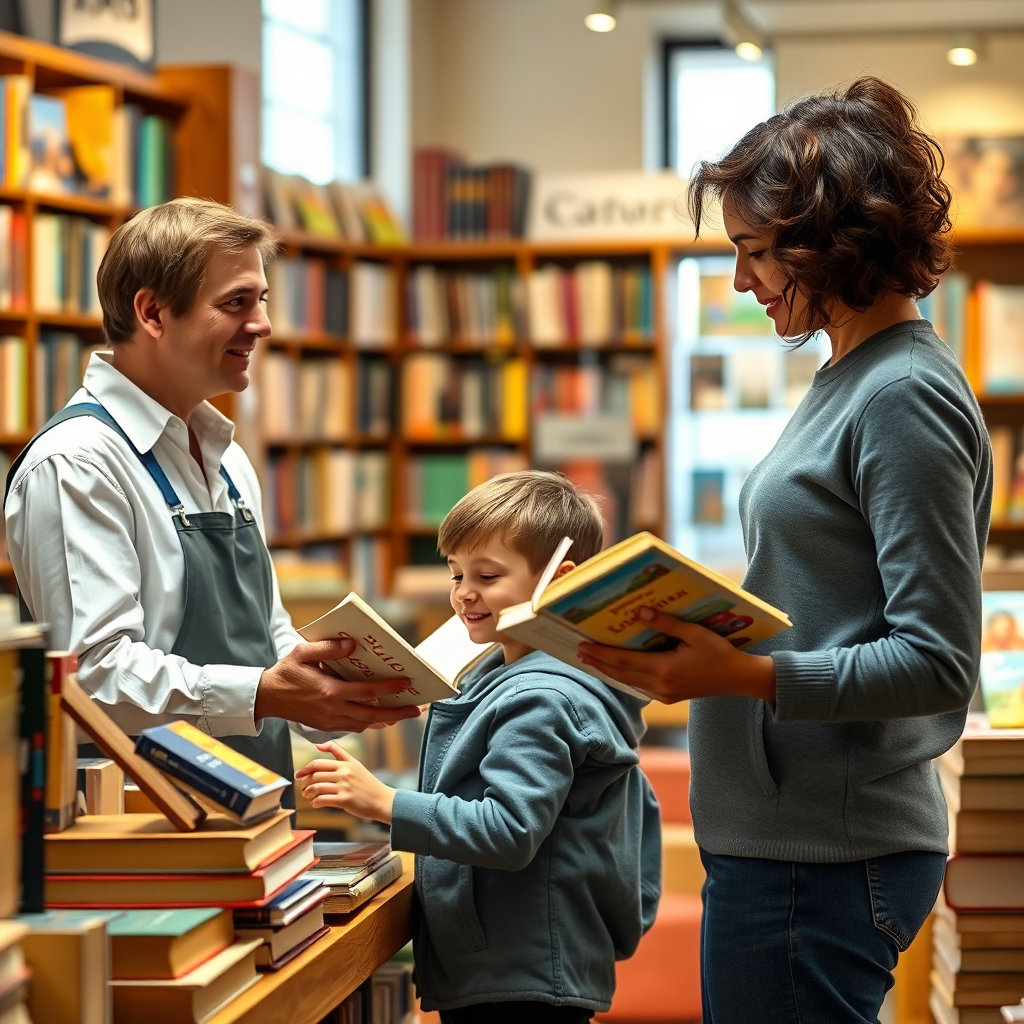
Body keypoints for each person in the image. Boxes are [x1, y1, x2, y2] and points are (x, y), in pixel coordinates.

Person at [577, 77, 992, 1023]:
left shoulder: (901, 397)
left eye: (754, 252)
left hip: (824, 854)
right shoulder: (851, 377)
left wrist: (741, 676)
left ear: (832, 241)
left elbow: (935, 662)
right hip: (788, 841)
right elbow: (833, 598)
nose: (738, 281)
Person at [4, 198, 419, 790]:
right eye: (236, 302)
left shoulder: (228, 458)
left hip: (258, 807)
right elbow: (92, 676)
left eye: (262, 300)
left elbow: (266, 637)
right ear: (152, 312)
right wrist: (264, 693)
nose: (263, 324)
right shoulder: (78, 463)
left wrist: (336, 688)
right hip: (149, 829)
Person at [296, 470, 661, 1024]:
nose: (465, 591)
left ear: (559, 582)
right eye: (456, 573)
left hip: (523, 973)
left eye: (488, 575)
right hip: (512, 962)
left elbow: (509, 830)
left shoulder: (543, 698)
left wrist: (383, 802)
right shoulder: (502, 675)